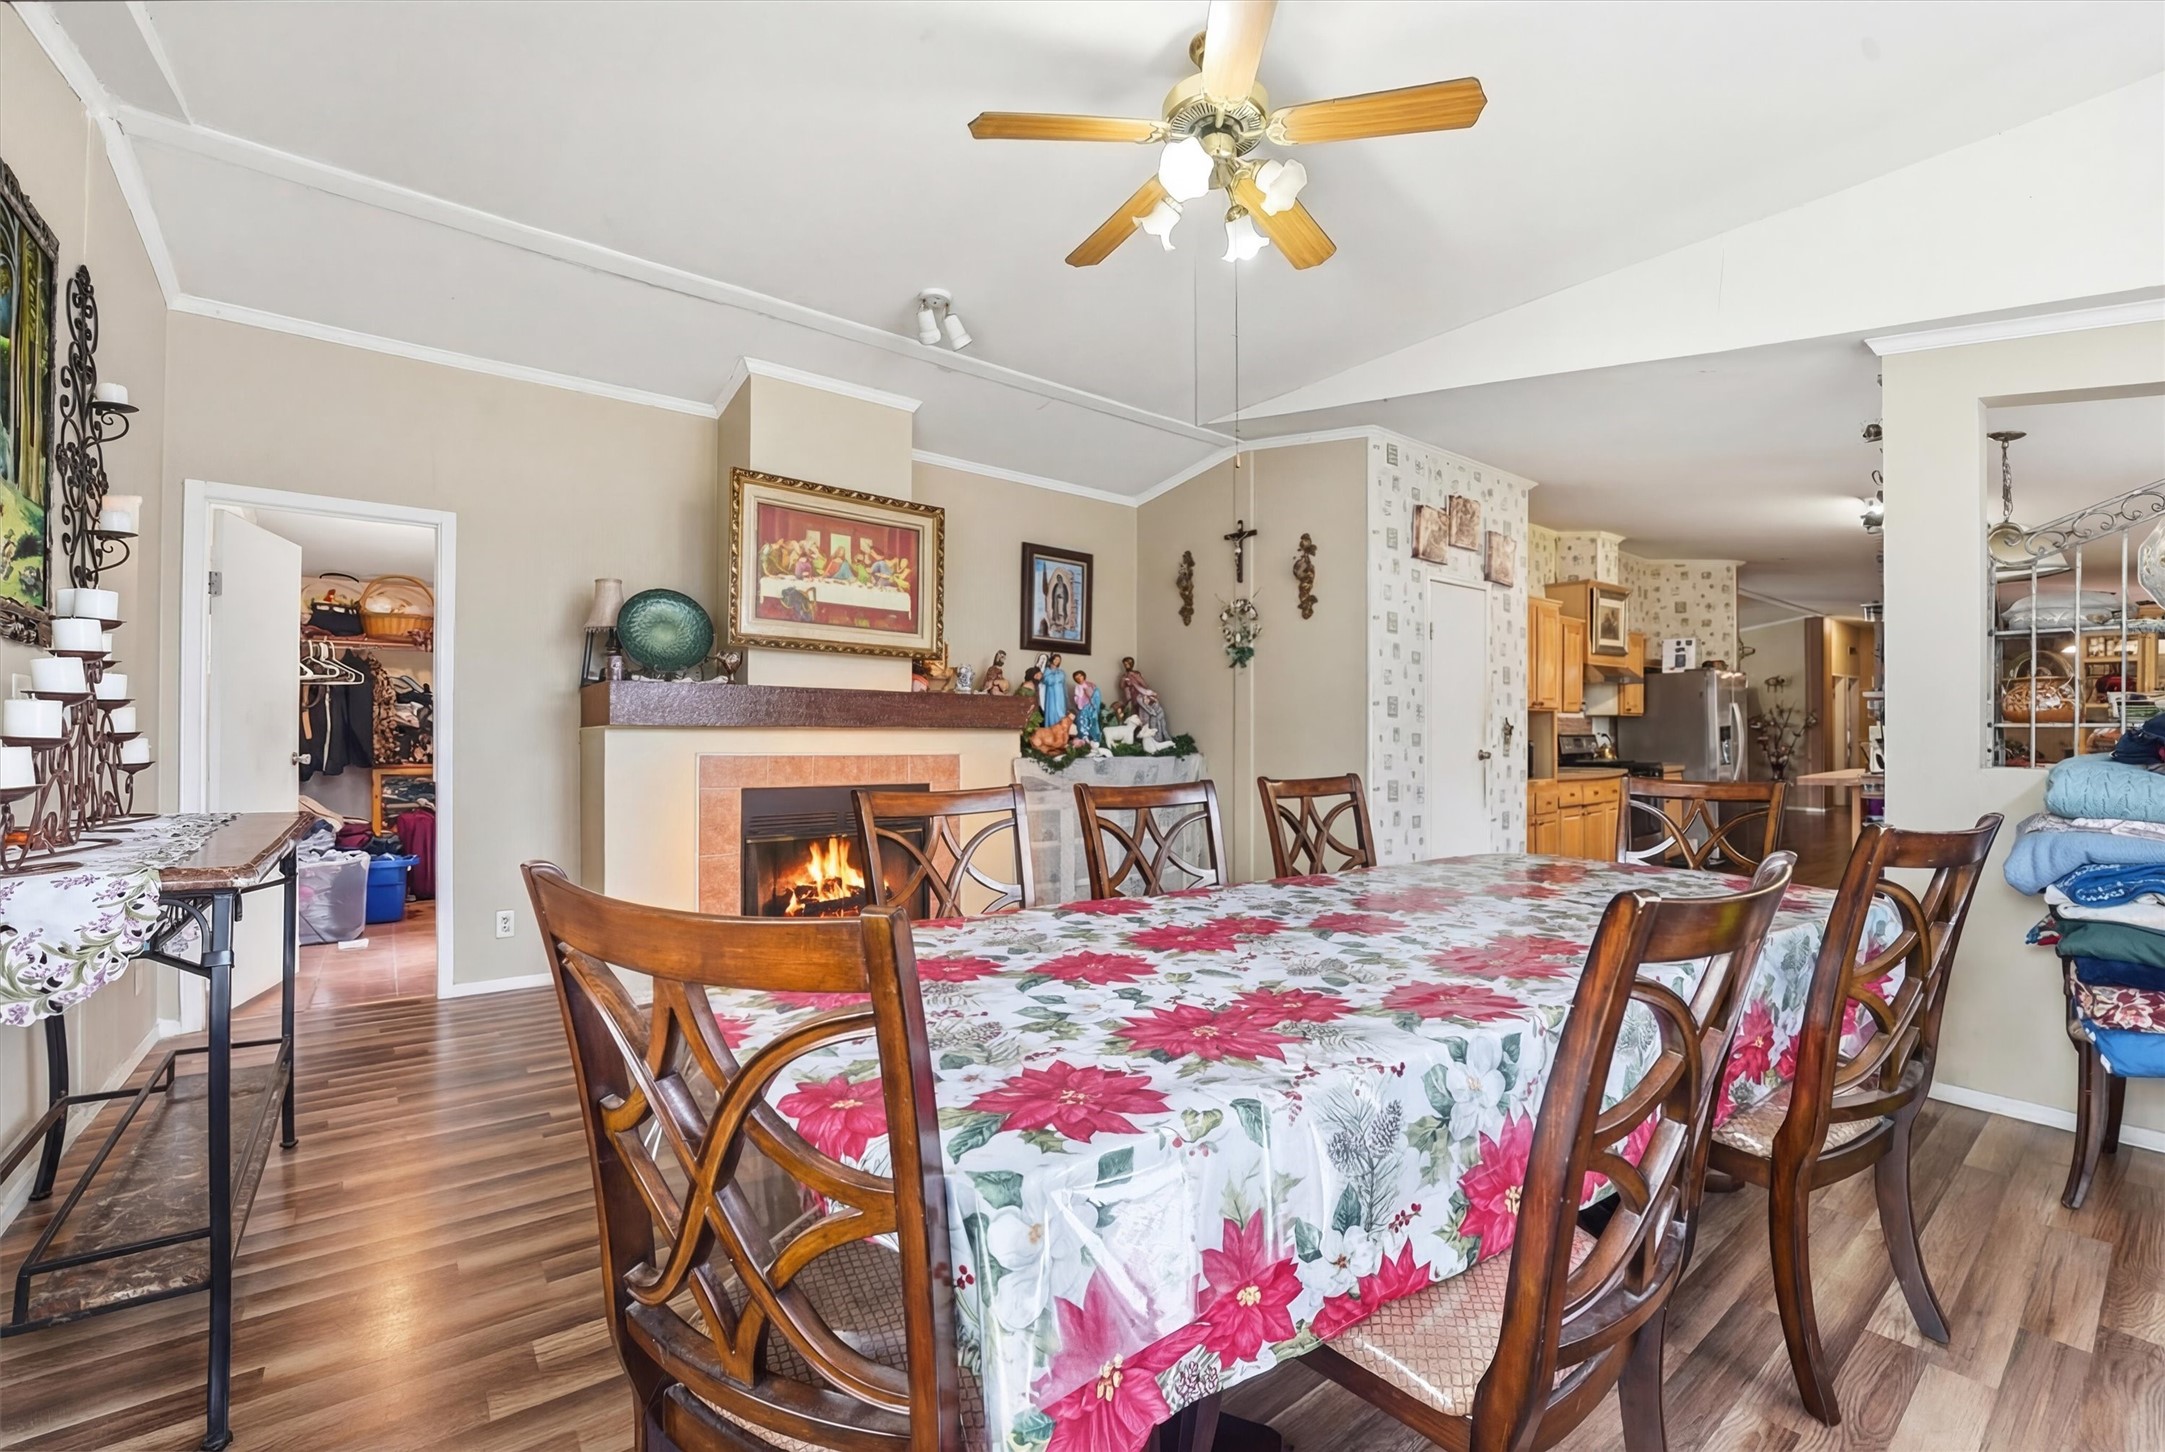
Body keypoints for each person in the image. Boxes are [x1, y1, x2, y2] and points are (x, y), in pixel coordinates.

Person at [1120, 656, 1171, 741]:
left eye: (1127, 664)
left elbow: (1144, 684)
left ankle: (1149, 737)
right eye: (1124, 664)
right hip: (1132, 698)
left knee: (1143, 715)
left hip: (1140, 696)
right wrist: (1123, 680)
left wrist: (1134, 678)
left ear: (1131, 664)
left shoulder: (1135, 674)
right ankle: (1137, 736)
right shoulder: (1124, 675)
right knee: (1134, 716)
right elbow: (1122, 686)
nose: (1126, 666)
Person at [1039, 653, 1070, 725]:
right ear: (1052, 660)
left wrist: (1054, 678)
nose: (1057, 661)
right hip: (1051, 694)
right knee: (1051, 710)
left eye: (1059, 660)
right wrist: (1056, 677)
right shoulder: (1047, 670)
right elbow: (1047, 680)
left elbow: (1062, 678)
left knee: (1060, 709)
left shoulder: (1061, 672)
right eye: (1055, 659)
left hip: (1060, 694)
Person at [1072, 670, 1102, 744]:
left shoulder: (1091, 685)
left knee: (1092, 722)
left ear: (1083, 676)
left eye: (1080, 676)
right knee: (1081, 721)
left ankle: (1094, 739)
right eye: (1076, 677)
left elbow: (1096, 694)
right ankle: (1084, 738)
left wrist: (1091, 696)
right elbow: (1077, 697)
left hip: (1091, 706)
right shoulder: (1077, 687)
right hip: (1083, 707)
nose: (1079, 678)